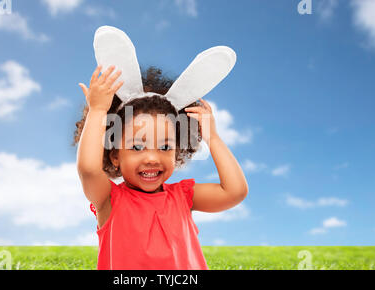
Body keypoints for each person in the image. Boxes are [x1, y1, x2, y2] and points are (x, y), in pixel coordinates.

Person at [72, 26, 248, 270]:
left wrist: (213, 138)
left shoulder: (183, 196)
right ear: (114, 156)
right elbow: (89, 170)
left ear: (177, 152)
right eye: (136, 147)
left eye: (165, 146)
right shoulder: (109, 199)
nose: (152, 158)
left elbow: (234, 192)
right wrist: (98, 111)